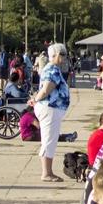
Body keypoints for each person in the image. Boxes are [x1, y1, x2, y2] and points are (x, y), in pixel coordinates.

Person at [27, 42, 71, 183]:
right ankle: (47, 173)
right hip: (49, 108)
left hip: (52, 109)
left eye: (65, 54)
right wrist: (36, 99)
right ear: (55, 55)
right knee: (49, 140)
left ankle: (48, 171)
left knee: (50, 139)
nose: (64, 57)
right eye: (62, 54)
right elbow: (46, 89)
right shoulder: (52, 69)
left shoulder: (53, 69)